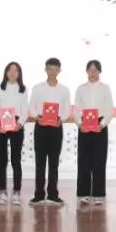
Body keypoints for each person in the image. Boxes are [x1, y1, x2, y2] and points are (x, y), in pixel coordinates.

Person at [28, 57, 71, 206]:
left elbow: (66, 110)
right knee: (40, 162)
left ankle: (53, 194)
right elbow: (31, 107)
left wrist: (61, 119)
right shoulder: (37, 88)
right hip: (41, 126)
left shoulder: (64, 90)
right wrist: (37, 117)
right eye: (50, 68)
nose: (53, 72)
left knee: (54, 163)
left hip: (56, 127)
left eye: (55, 69)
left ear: (59, 71)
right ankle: (39, 195)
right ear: (45, 70)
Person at [74, 59, 114, 206]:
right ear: (86, 71)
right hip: (84, 125)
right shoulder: (80, 88)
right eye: (90, 69)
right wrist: (80, 124)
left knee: (99, 160)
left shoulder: (105, 88)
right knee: (84, 160)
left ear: (99, 72)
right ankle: (83, 193)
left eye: (95, 70)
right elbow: (77, 109)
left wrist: (102, 124)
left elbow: (109, 109)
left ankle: (98, 194)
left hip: (100, 125)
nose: (93, 72)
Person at [0, 61, 30, 205]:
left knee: (15, 160)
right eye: (10, 70)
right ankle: (2, 191)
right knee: (2, 160)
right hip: (0, 125)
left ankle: (16, 192)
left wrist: (20, 124)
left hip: (16, 125)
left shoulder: (23, 89)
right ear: (6, 72)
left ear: (19, 74)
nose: (13, 73)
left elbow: (25, 110)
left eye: (16, 70)